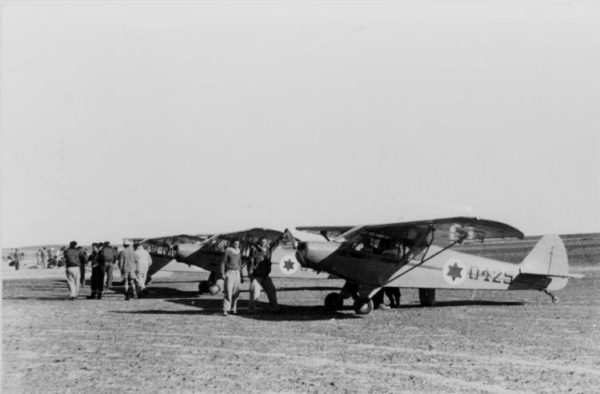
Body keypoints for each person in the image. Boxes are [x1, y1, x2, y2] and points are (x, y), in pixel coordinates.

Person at [248, 238, 280, 313]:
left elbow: (275, 244)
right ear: (259, 242)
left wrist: (280, 237)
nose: (263, 243)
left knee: (271, 290)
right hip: (256, 275)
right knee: (255, 293)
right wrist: (250, 270)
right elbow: (251, 260)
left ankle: (274, 307)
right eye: (262, 242)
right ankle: (251, 309)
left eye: (264, 242)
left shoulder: (268, 249)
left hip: (265, 275)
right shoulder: (254, 249)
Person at [221, 239, 243, 316]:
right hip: (229, 273)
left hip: (237, 273)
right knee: (228, 291)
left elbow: (240, 263)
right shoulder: (228, 250)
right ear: (232, 243)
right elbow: (223, 262)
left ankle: (234, 309)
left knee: (236, 292)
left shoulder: (239, 251)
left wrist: (241, 274)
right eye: (235, 243)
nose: (236, 244)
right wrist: (223, 273)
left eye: (238, 243)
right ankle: (225, 309)